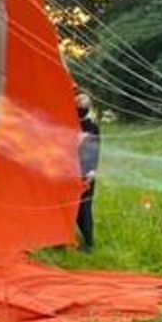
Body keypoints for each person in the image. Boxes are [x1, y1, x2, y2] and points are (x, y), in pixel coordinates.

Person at [76, 92, 101, 253]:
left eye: (81, 107)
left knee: (83, 208)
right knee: (73, 208)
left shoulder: (92, 125)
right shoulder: (74, 123)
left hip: (86, 174)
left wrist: (91, 171)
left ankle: (89, 243)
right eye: (77, 107)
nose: (79, 109)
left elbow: (94, 149)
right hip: (74, 172)